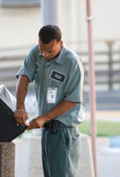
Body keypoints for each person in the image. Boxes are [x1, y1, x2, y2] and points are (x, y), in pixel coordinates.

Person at [14, 25, 85, 177]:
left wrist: (43, 118)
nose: (45, 54)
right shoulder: (36, 52)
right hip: (47, 130)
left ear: (61, 43)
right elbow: (24, 76)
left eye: (50, 51)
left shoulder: (72, 63)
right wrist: (20, 106)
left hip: (63, 130)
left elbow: (73, 100)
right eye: (42, 49)